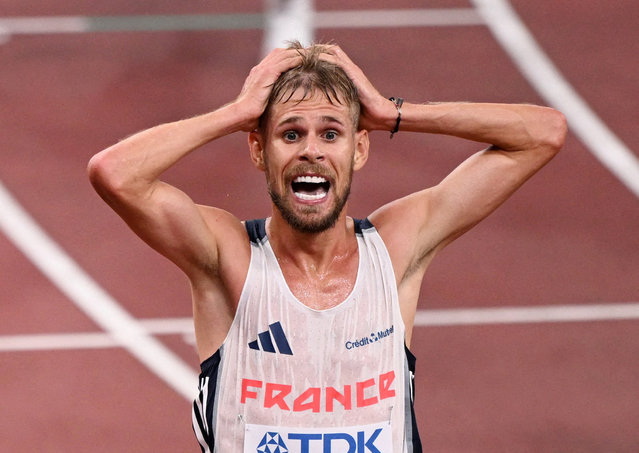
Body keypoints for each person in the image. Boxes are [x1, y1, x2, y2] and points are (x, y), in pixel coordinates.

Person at [88, 42, 566, 452]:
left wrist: (392, 112)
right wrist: (234, 113)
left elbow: (543, 134)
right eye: (290, 134)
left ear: (359, 149)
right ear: (259, 149)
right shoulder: (226, 257)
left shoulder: (394, 250)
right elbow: (115, 174)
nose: (311, 151)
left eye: (331, 133)